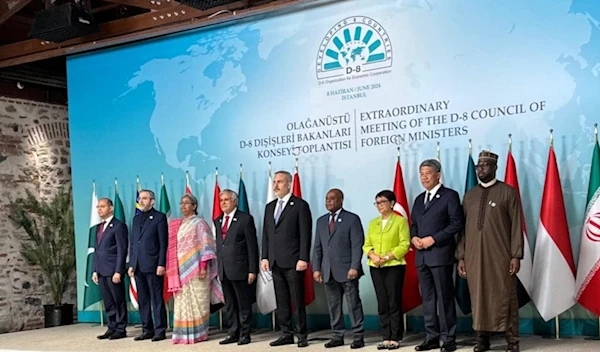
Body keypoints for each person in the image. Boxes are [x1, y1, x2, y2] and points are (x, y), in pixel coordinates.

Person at [456, 151, 524, 352]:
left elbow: (516, 225)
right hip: (474, 257)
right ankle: (481, 339)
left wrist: (515, 255)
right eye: (478, 166)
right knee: (478, 297)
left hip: (501, 256)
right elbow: (463, 230)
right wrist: (461, 257)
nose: (480, 169)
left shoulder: (507, 192)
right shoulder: (470, 196)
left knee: (506, 297)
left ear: (495, 167)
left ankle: (512, 341)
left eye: (485, 165)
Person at [410, 160, 463, 352]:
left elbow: (456, 224)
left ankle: (448, 338)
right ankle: (431, 337)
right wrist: (414, 237)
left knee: (444, 298)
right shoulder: (418, 199)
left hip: (440, 255)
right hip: (422, 257)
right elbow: (414, 224)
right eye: (421, 173)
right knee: (428, 299)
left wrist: (434, 239)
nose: (424, 177)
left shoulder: (449, 196)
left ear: (438, 174)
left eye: (428, 173)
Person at [261, 170, 313, 348]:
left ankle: (302, 334)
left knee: (297, 300)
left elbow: (305, 234)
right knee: (281, 300)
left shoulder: (299, 205)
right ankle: (286, 333)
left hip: (294, 261)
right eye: (275, 182)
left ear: (289, 184)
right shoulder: (270, 207)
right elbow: (266, 235)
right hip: (275, 261)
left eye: (280, 182)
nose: (276, 185)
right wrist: (265, 256)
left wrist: (303, 258)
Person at [166, 193, 224, 344]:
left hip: (197, 271)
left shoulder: (200, 223)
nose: (183, 206)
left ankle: (198, 333)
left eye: (186, 203)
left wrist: (203, 267)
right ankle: (182, 334)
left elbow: (206, 246)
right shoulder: (177, 225)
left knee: (198, 303)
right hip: (180, 271)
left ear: (194, 206)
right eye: (181, 203)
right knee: (182, 302)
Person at [313, 189, 365, 349]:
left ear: (341, 200)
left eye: (332, 199)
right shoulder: (321, 221)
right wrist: (316, 269)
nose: (329, 201)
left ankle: (358, 336)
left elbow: (357, 245)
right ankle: (337, 335)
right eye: (327, 199)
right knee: (334, 306)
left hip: (348, 271)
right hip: (328, 271)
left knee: (353, 304)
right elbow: (318, 248)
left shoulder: (352, 219)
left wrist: (354, 266)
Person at [363, 190, 410, 350]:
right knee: (382, 302)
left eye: (383, 202)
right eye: (377, 202)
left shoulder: (400, 221)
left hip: (394, 266)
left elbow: (404, 244)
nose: (380, 205)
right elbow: (367, 244)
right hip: (376, 266)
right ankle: (385, 336)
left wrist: (388, 257)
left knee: (393, 301)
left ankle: (395, 337)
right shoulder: (373, 223)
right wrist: (372, 255)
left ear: (392, 203)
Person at [214, 190, 259, 345]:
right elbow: (220, 246)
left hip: (241, 269)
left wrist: (253, 270)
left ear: (234, 201)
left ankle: (245, 334)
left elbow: (252, 247)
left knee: (243, 304)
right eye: (221, 200)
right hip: (224, 269)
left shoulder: (245, 219)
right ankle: (233, 332)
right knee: (230, 304)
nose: (223, 203)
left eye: (226, 200)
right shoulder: (218, 221)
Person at [128, 189, 168, 341]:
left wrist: (161, 264)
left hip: (153, 265)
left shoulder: (159, 217)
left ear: (152, 201)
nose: (142, 201)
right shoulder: (136, 219)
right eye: (140, 198)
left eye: (145, 198)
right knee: (143, 299)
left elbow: (163, 243)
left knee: (156, 299)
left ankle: (160, 330)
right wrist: (132, 264)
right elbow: (133, 243)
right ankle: (147, 329)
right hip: (138, 266)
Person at [92, 198, 128, 340]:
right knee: (108, 301)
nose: (99, 209)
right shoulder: (99, 227)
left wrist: (118, 271)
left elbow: (122, 250)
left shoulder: (119, 226)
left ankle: (121, 328)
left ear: (111, 208)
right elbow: (97, 250)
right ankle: (111, 326)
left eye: (102, 206)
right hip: (101, 271)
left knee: (118, 300)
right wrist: (95, 270)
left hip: (113, 270)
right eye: (98, 207)